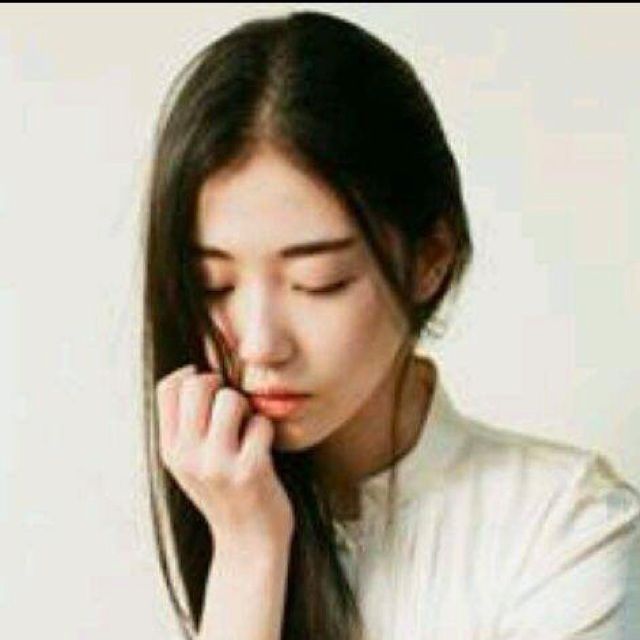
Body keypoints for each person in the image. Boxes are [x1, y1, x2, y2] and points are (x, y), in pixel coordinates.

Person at [143, 10, 640, 640]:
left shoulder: (566, 524)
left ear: (430, 260)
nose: (260, 344)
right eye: (214, 285)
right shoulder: (216, 508)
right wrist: (247, 554)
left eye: (318, 281)